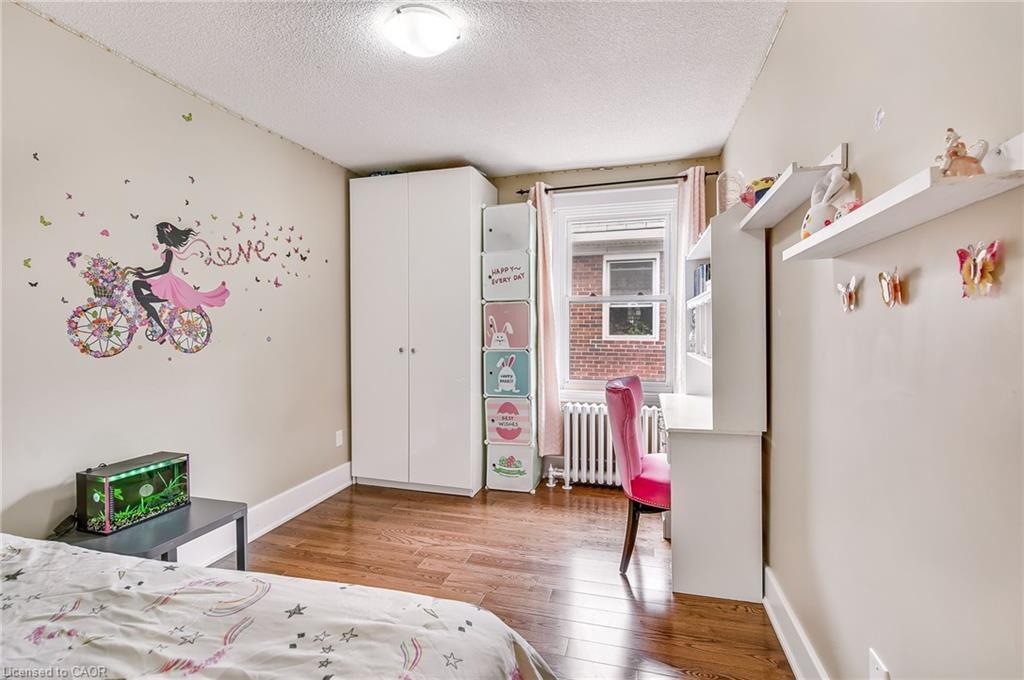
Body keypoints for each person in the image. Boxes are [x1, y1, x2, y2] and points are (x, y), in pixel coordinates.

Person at [132, 222, 229, 341]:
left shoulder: (169, 252)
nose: (157, 237)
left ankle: (162, 329)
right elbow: (163, 268)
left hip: (168, 288)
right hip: (163, 283)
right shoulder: (167, 250)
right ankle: (150, 314)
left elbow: (165, 269)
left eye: (159, 234)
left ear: (165, 234)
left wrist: (145, 274)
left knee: (143, 298)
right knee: (136, 284)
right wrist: (145, 273)